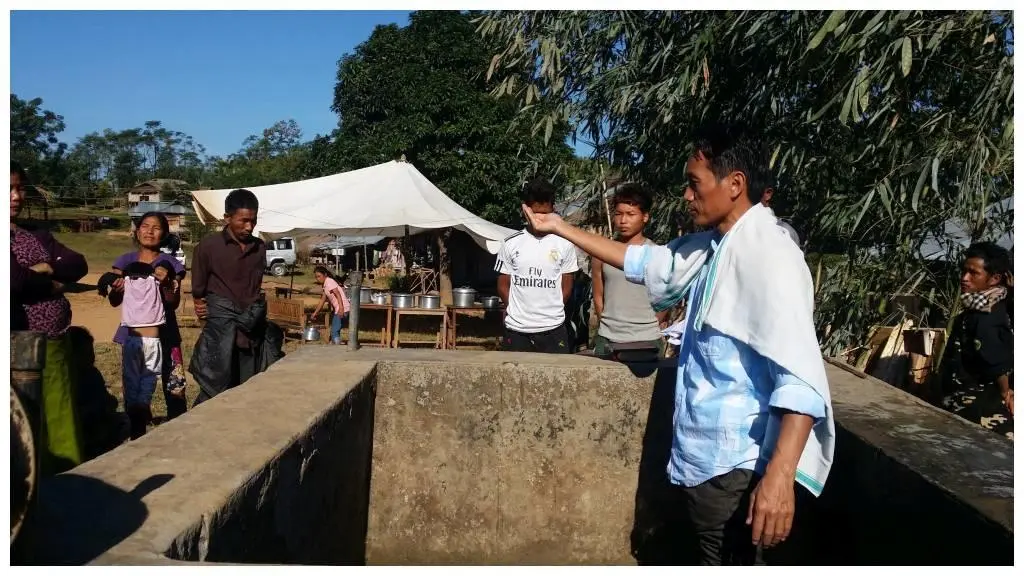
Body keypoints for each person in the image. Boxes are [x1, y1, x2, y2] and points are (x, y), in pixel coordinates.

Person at [521, 125, 834, 565]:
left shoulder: (771, 256)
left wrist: (780, 477)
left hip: (736, 469)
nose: (687, 196)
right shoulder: (714, 247)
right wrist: (559, 226)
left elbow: (798, 377)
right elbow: (642, 261)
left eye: (694, 183)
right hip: (705, 465)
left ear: (735, 184)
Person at [10, 162, 90, 475]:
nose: (16, 196)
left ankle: (67, 481)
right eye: (8, 189)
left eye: (19, 188)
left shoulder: (36, 234)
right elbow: (14, 282)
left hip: (52, 343)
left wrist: (48, 268)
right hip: (16, 344)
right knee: (23, 422)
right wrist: (51, 282)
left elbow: (78, 263)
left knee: (60, 415)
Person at [189, 188, 282, 405]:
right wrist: (203, 309)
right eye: (244, 221)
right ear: (227, 218)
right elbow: (198, 290)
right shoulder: (208, 247)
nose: (249, 227)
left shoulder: (259, 248)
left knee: (247, 389)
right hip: (221, 331)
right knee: (214, 389)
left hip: (251, 329)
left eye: (253, 221)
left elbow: (254, 286)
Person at [102, 212, 187, 437]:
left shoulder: (171, 263)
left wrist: (167, 283)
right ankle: (137, 434)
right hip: (133, 335)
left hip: (167, 334)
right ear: (137, 231)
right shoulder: (124, 262)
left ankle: (179, 433)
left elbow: (173, 302)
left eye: (156, 227)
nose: (150, 231)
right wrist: (117, 289)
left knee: (175, 388)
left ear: (164, 234)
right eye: (145, 226)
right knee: (134, 387)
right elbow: (114, 301)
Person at [938, 242, 1013, 439]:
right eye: (964, 271)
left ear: (994, 279)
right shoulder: (983, 307)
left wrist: (1006, 392)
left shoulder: (986, 315)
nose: (964, 278)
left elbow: (995, 362)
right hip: (964, 404)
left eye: (973, 273)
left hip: (978, 410)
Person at [495, 178, 579, 353]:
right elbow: (503, 285)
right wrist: (517, 311)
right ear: (525, 210)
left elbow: (567, 286)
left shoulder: (565, 244)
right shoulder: (510, 243)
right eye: (535, 213)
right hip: (517, 330)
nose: (539, 219)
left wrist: (551, 311)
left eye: (545, 214)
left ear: (553, 210)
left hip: (553, 330)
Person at [591, 183, 668, 358]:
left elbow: (666, 298)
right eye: (619, 214)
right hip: (608, 337)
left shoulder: (656, 254)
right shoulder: (602, 253)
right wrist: (607, 324)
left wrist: (649, 325)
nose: (623, 220)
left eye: (630, 214)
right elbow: (598, 295)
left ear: (645, 216)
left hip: (647, 339)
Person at [312, 266, 351, 344]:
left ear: (325, 274)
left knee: (334, 331)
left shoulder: (329, 281)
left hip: (343, 308)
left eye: (319, 276)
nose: (317, 279)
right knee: (335, 329)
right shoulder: (325, 285)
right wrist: (315, 313)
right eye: (316, 277)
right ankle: (336, 344)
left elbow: (338, 294)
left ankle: (336, 347)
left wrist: (341, 308)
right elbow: (322, 300)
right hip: (339, 308)